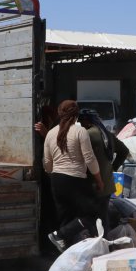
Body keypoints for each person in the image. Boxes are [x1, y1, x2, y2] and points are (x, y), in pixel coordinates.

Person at [42, 100, 103, 250]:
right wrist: (99, 180)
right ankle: (58, 235)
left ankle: (65, 254)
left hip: (56, 179)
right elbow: (89, 158)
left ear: (59, 113)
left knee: (65, 218)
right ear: (76, 115)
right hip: (75, 179)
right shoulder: (80, 131)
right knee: (91, 214)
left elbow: (47, 162)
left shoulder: (50, 133)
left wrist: (54, 175)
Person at [78, 108, 129, 224]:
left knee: (91, 220)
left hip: (93, 184)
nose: (80, 125)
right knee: (102, 218)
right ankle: (105, 240)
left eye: (81, 122)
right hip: (107, 184)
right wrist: (112, 168)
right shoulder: (107, 134)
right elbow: (124, 151)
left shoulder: (87, 134)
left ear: (86, 121)